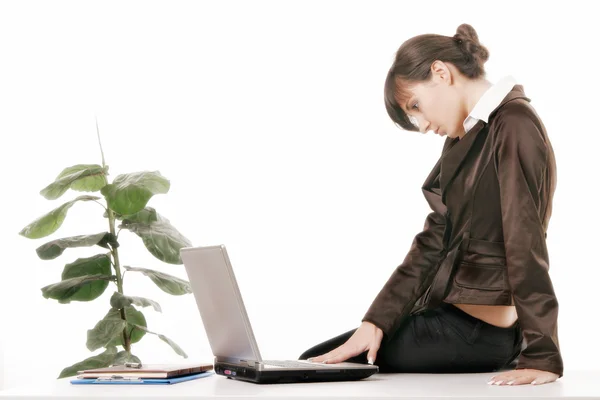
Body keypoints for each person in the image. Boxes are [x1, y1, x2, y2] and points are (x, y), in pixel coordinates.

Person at [298, 23, 563, 386]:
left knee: (317, 365)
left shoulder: (513, 123)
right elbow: (434, 238)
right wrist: (376, 321)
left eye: (416, 106)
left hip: (478, 335)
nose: (422, 125)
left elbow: (525, 240)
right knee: (320, 359)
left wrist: (543, 355)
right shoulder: (468, 135)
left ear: (441, 72)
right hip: (449, 317)